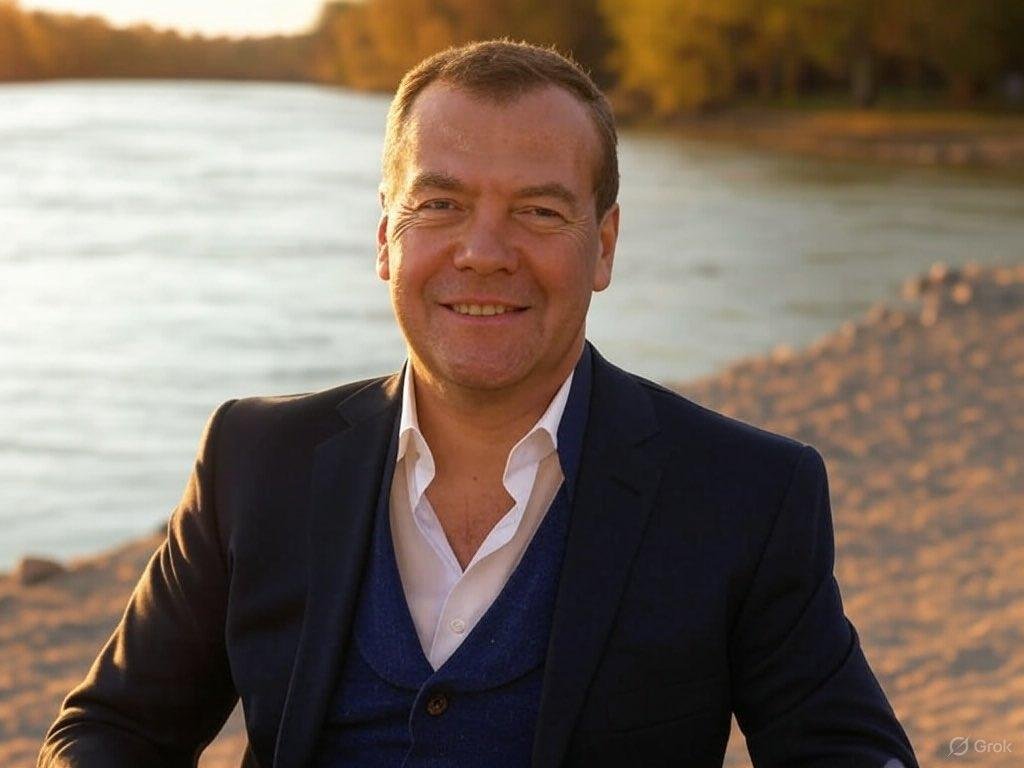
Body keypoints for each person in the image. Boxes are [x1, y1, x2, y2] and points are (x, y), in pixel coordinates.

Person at [39, 40, 918, 768]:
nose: (484, 251)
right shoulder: (254, 460)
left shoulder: (745, 493)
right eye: (440, 204)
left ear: (604, 247)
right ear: (385, 238)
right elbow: (112, 731)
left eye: (538, 211)